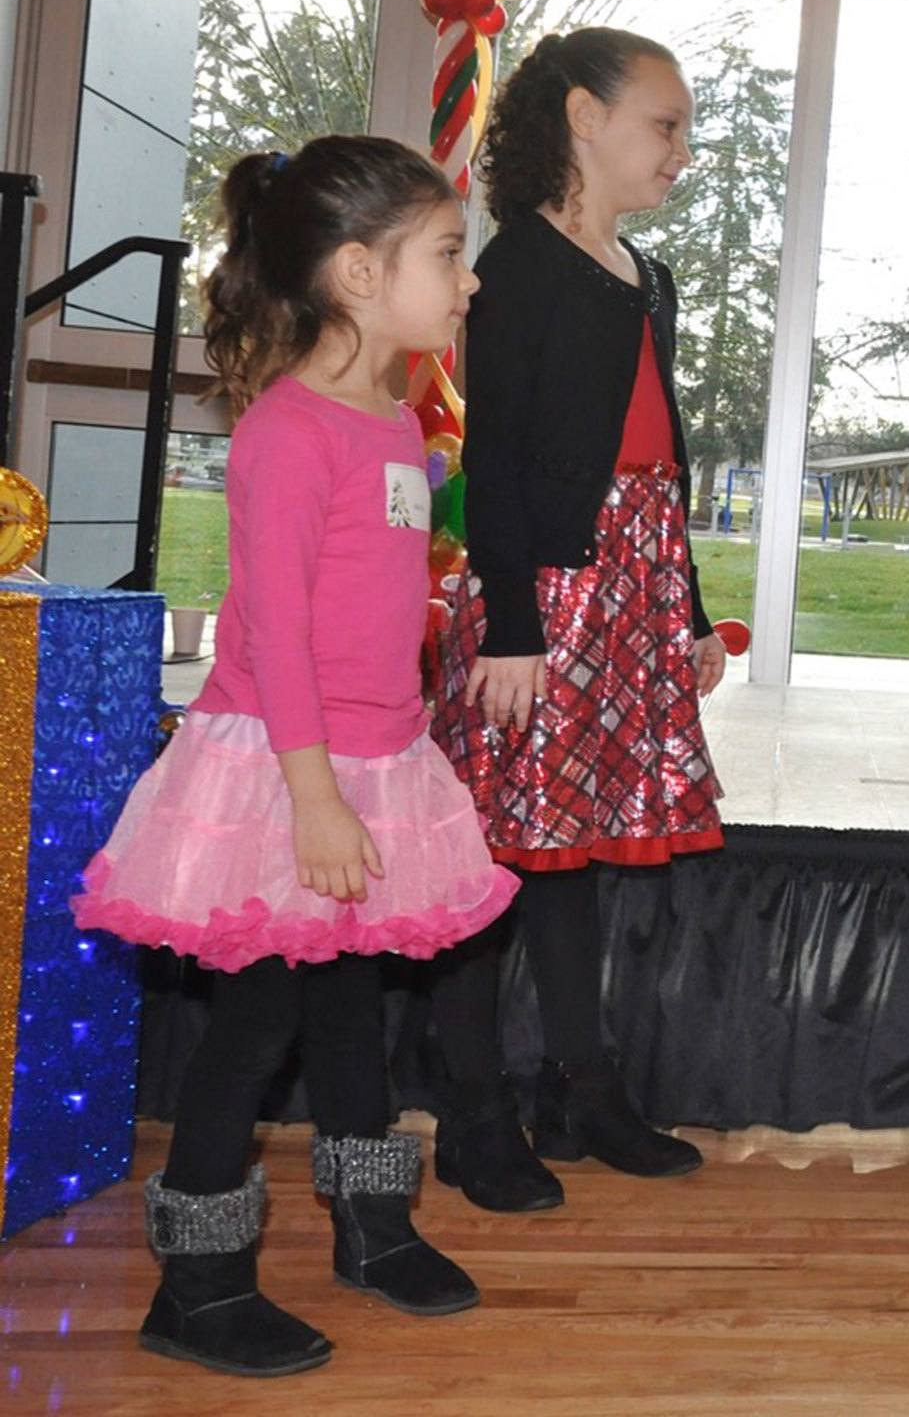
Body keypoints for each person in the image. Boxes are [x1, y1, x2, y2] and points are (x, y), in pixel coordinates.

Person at [71, 136, 517, 1376]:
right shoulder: (288, 430)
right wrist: (315, 801)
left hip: (369, 759)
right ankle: (198, 1285)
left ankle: (372, 1228)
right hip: (283, 770)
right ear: (361, 275)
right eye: (447, 256)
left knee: (350, 1010)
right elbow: (270, 631)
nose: (466, 281)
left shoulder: (392, 423)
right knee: (255, 1024)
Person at [427, 28, 725, 1210]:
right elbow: (495, 464)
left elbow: (663, 449)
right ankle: (470, 1110)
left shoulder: (641, 272)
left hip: (635, 586)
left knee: (573, 862)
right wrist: (510, 625)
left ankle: (582, 1087)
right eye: (666, 124)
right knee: (497, 856)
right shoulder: (519, 267)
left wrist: (689, 605)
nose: (681, 151)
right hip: (542, 603)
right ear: (584, 118)